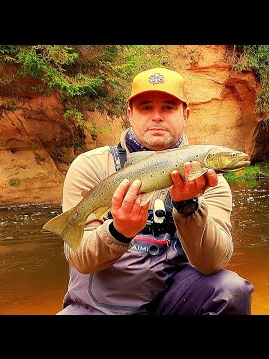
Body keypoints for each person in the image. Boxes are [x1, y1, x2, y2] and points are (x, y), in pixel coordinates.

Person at [57, 67, 254, 315]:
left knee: (230, 289)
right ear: (130, 114)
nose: (157, 116)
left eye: (168, 108)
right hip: (99, 308)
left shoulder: (210, 181)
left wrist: (188, 207)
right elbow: (79, 259)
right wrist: (119, 231)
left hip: (173, 303)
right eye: (146, 107)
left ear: (186, 114)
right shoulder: (91, 166)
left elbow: (213, 262)